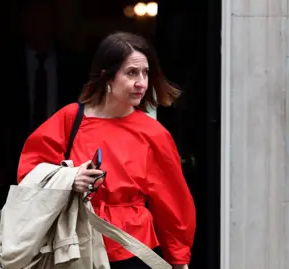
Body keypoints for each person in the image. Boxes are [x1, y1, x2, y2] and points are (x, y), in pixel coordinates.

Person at [17, 32, 196, 269]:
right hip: (75, 245)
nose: (141, 82)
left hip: (134, 249)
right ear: (107, 76)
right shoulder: (70, 119)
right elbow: (28, 174)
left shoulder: (154, 134)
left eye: (145, 72)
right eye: (132, 72)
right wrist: (70, 179)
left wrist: (179, 260)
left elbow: (173, 203)